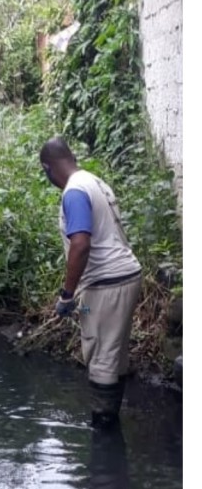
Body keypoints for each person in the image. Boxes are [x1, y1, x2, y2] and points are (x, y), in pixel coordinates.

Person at [39, 137, 143, 428]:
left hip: (106, 284)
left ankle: (103, 429)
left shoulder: (73, 192)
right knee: (115, 353)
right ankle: (111, 422)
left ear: (48, 168)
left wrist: (67, 295)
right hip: (126, 276)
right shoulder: (94, 181)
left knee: (100, 355)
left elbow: (81, 244)